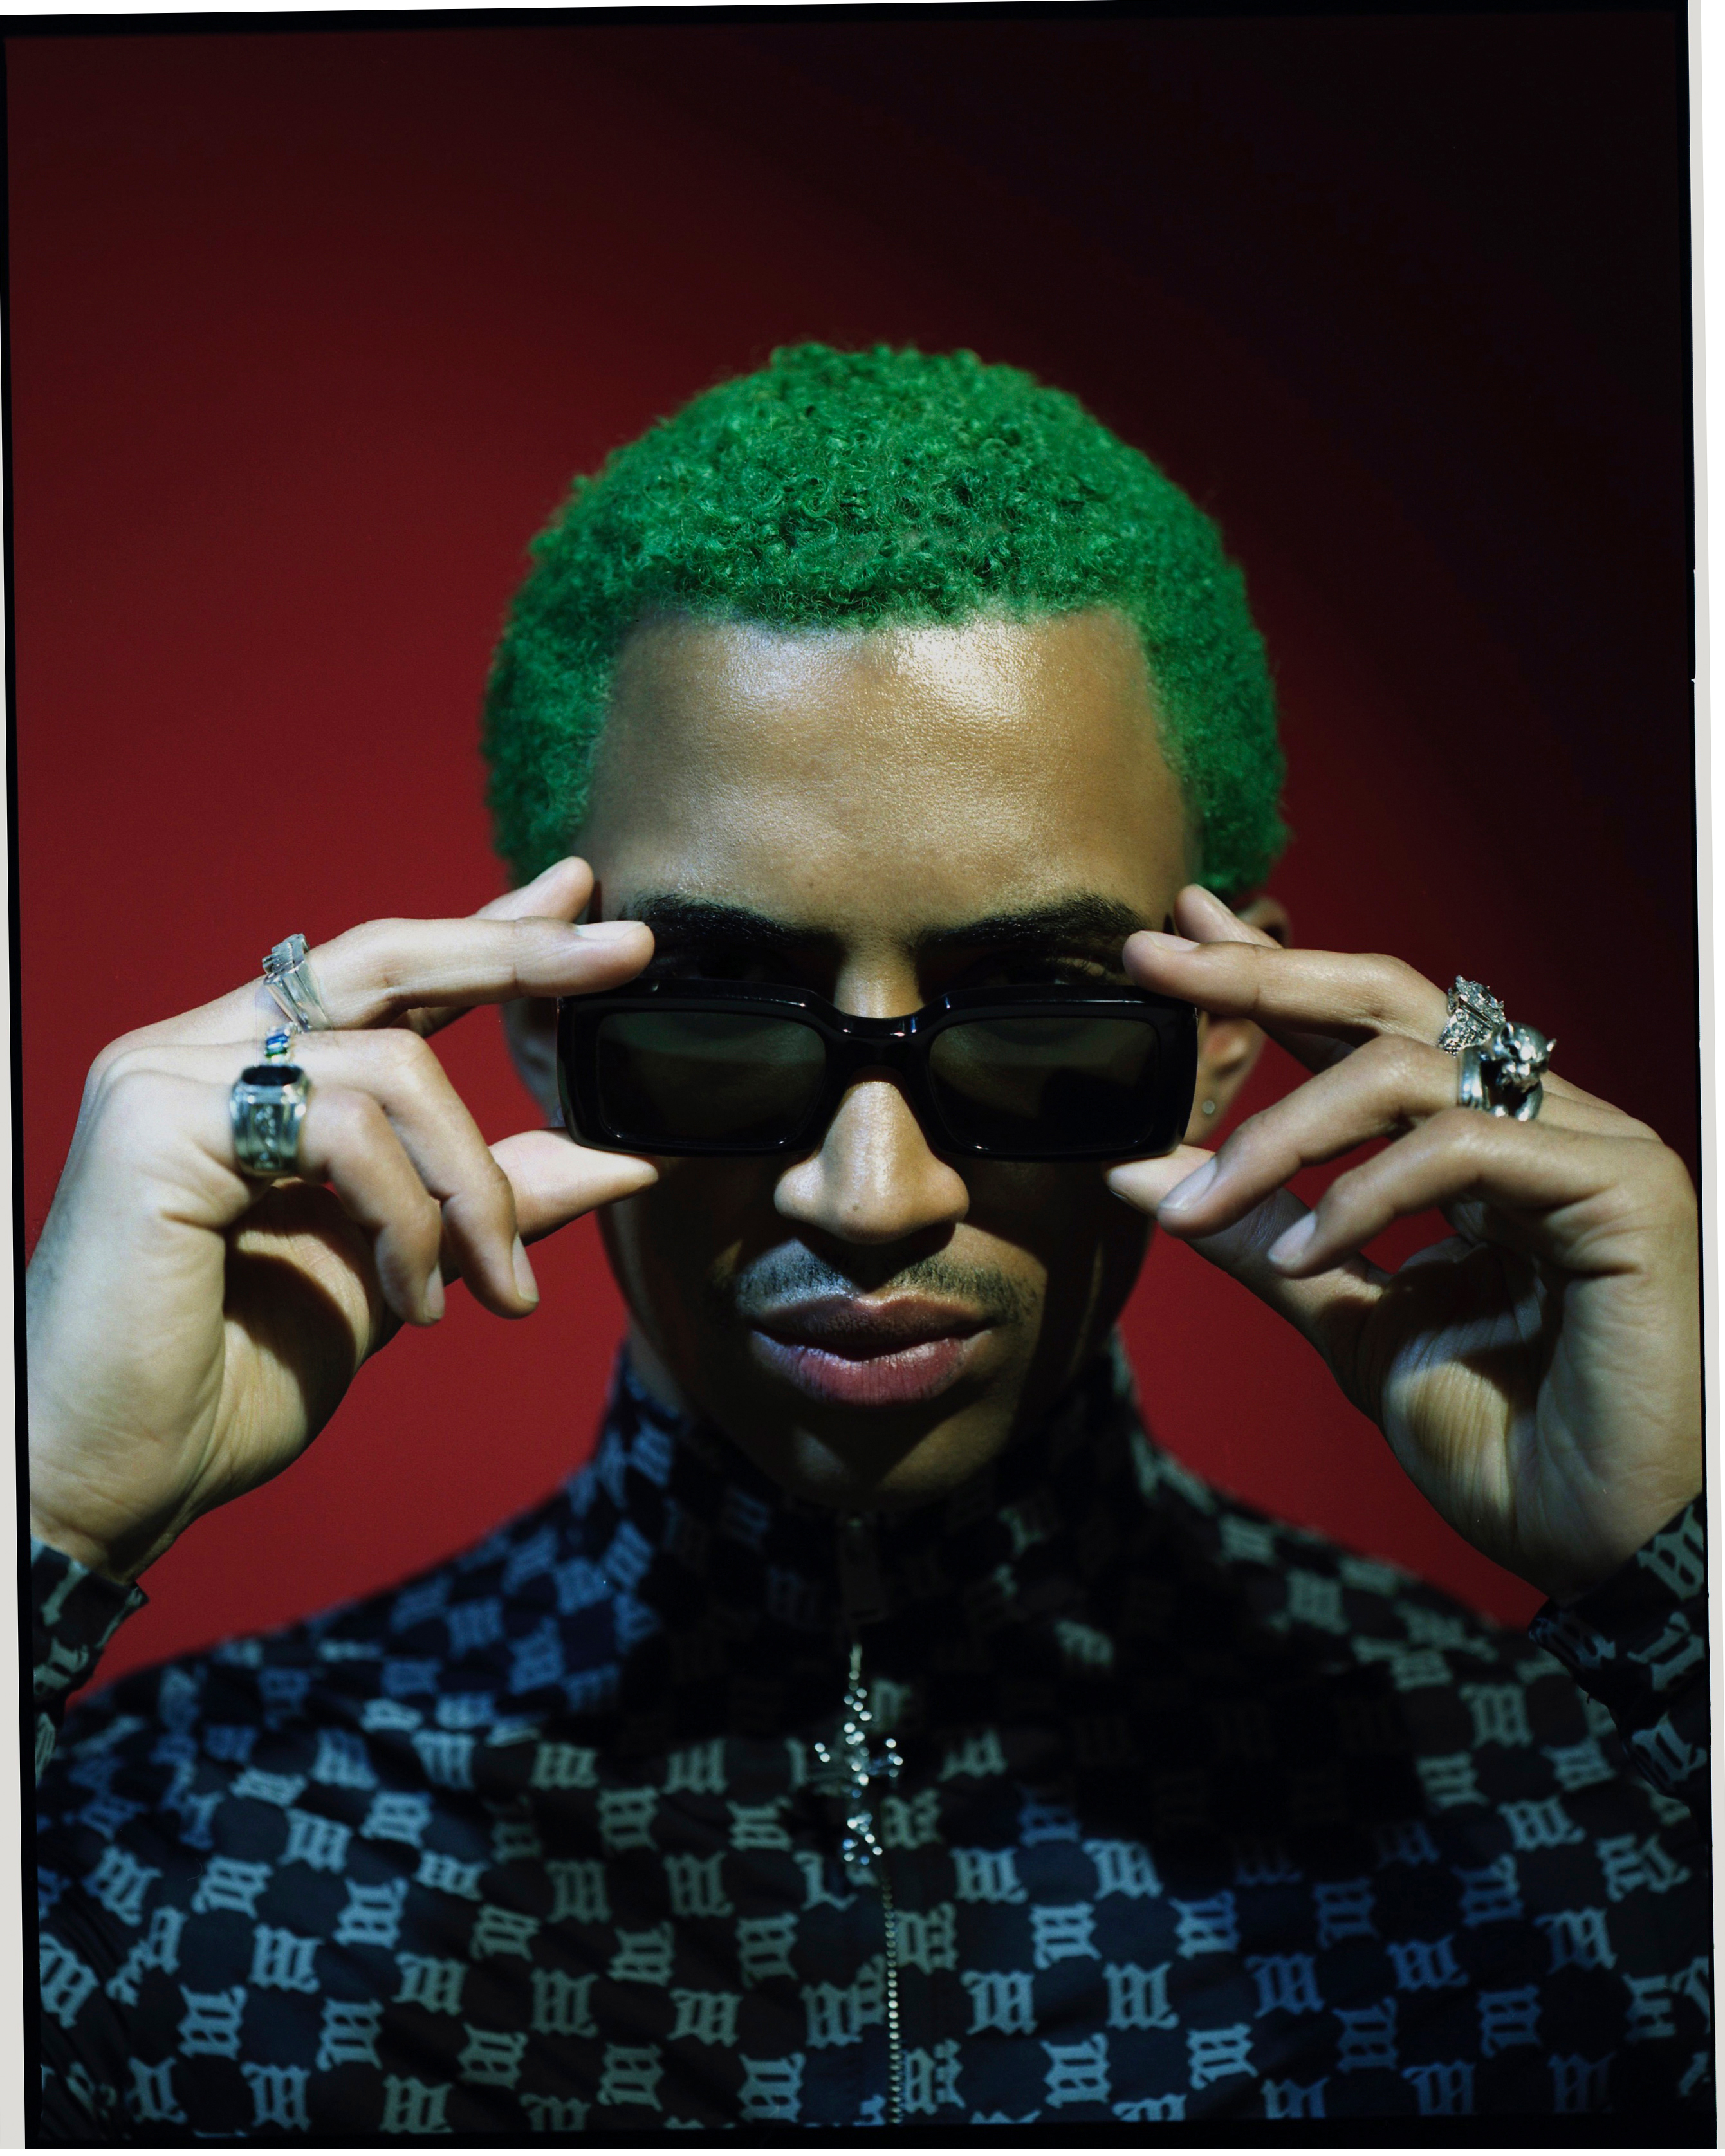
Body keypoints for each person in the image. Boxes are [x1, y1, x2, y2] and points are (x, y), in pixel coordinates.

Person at [30, 346, 1708, 2137]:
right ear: (535, 1028)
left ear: (1230, 1031)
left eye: (1039, 1020)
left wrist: (1680, 1603)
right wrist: (43, 1516)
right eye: (717, 1018)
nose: (873, 1193)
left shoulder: (1565, 1822)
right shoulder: (165, 1857)